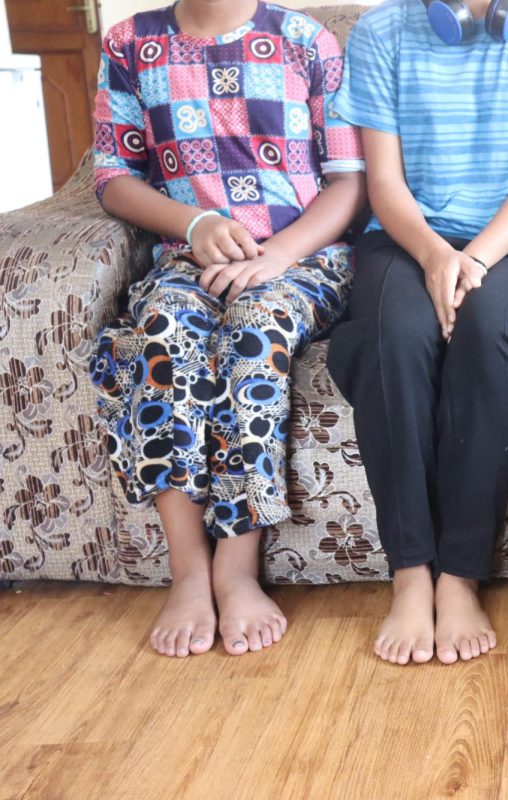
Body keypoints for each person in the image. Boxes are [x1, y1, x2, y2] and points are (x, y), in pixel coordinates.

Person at [90, 0, 365, 657]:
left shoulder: (306, 42)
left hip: (299, 259)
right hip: (188, 262)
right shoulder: (131, 44)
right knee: (161, 329)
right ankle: (188, 571)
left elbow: (349, 182)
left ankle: (237, 568)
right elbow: (111, 177)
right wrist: (193, 224)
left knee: (253, 327)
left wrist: (278, 256)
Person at [326, 0, 508, 665]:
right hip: (408, 240)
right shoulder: (380, 32)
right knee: (396, 337)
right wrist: (437, 255)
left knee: (487, 328)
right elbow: (383, 182)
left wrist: (477, 261)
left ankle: (461, 575)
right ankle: (411, 571)